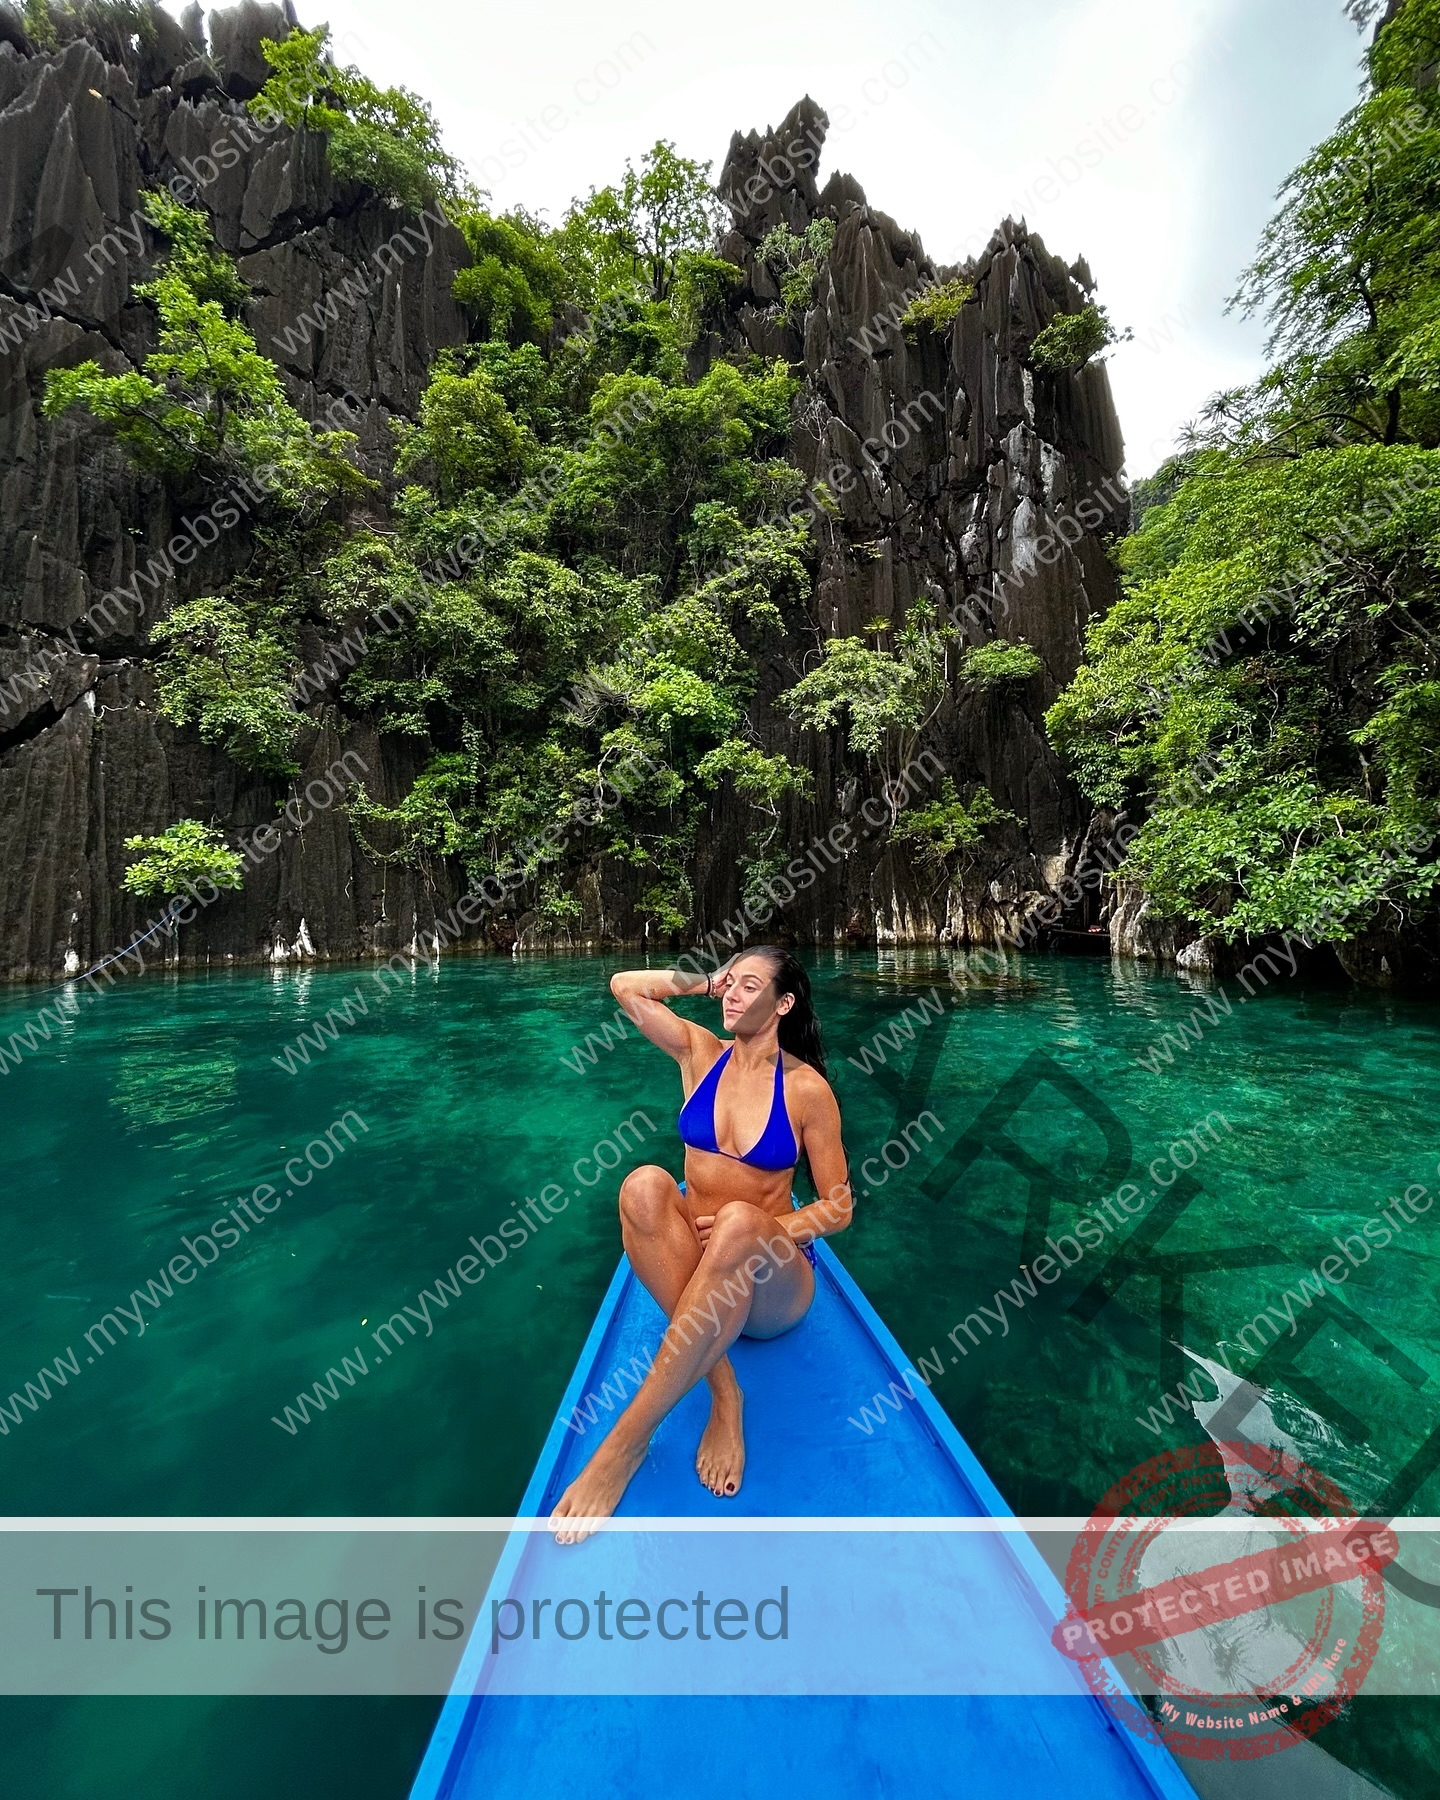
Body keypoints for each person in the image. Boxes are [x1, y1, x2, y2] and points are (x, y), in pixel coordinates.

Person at [550, 947, 853, 1542]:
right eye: (730, 984)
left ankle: (624, 1445)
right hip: (701, 1263)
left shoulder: (805, 1089)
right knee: (642, 1186)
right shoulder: (699, 1053)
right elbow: (625, 987)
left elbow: (838, 1207)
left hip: (771, 1281)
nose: (733, 995)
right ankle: (725, 1391)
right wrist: (706, 982)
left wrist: (767, 1228)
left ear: (784, 1005)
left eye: (750, 986)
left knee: (739, 1223)